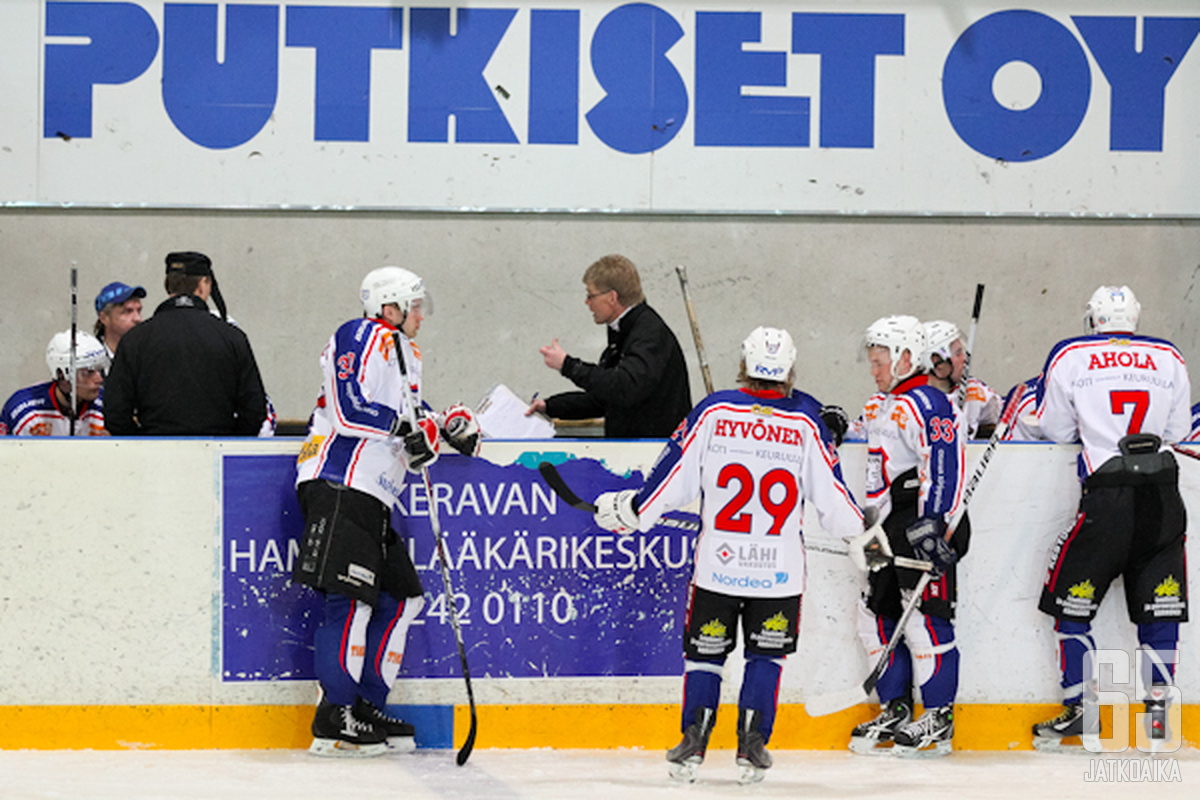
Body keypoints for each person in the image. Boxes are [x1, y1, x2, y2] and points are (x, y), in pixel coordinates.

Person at [591, 327, 863, 784]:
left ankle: (693, 741)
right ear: (789, 369)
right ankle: (752, 744)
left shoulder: (714, 411)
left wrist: (635, 510)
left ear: (744, 365)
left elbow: (671, 476)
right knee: (765, 659)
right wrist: (862, 533)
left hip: (719, 567)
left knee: (704, 657)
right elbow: (835, 500)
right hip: (778, 574)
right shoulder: (805, 421)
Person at [292, 265, 482, 757]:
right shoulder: (361, 333)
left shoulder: (404, 354)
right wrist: (407, 427)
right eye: (413, 305)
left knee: (401, 599)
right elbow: (349, 407)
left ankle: (365, 704)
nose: (421, 315)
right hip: (341, 480)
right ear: (388, 307)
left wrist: (446, 425)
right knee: (349, 601)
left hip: (374, 493)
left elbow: (407, 417)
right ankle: (334, 714)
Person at [1031, 285, 1190, 753]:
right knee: (1161, 611)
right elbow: (1178, 432)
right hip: (1163, 496)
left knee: (1069, 607)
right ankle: (1158, 725)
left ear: (1092, 318)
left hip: (1106, 499)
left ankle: (1084, 710)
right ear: (1134, 317)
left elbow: (1055, 428)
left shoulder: (1071, 353)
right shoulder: (1168, 355)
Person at [846, 315, 967, 757]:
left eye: (880, 361)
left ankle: (938, 718)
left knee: (925, 617)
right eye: (873, 362)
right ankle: (895, 707)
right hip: (886, 528)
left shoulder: (927, 402)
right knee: (874, 611)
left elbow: (943, 464)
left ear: (904, 358)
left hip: (921, 525)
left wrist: (933, 525)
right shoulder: (881, 404)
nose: (874, 370)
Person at [528, 254, 691, 437]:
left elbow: (624, 388)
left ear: (612, 297)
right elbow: (604, 398)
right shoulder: (626, 331)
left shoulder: (649, 334)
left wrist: (568, 365)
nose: (587, 302)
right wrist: (549, 406)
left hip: (655, 454)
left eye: (591, 296)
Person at [104, 252, 267, 435]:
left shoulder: (135, 340)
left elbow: (115, 413)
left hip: (154, 455)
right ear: (202, 285)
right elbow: (254, 410)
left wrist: (144, 442)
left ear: (168, 285)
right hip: (216, 453)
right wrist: (229, 442)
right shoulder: (232, 338)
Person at [1, 331, 109, 437]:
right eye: (89, 372)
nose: (99, 379)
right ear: (61, 375)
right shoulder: (25, 411)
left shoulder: (106, 406)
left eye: (99, 370)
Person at [920, 320, 1002, 438]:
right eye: (958, 353)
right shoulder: (910, 401)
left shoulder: (973, 390)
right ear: (937, 362)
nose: (965, 358)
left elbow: (1002, 415)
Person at [93, 281, 146, 359]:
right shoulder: (91, 358)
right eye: (128, 311)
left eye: (139, 311)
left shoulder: (146, 354)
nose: (138, 318)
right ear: (104, 318)